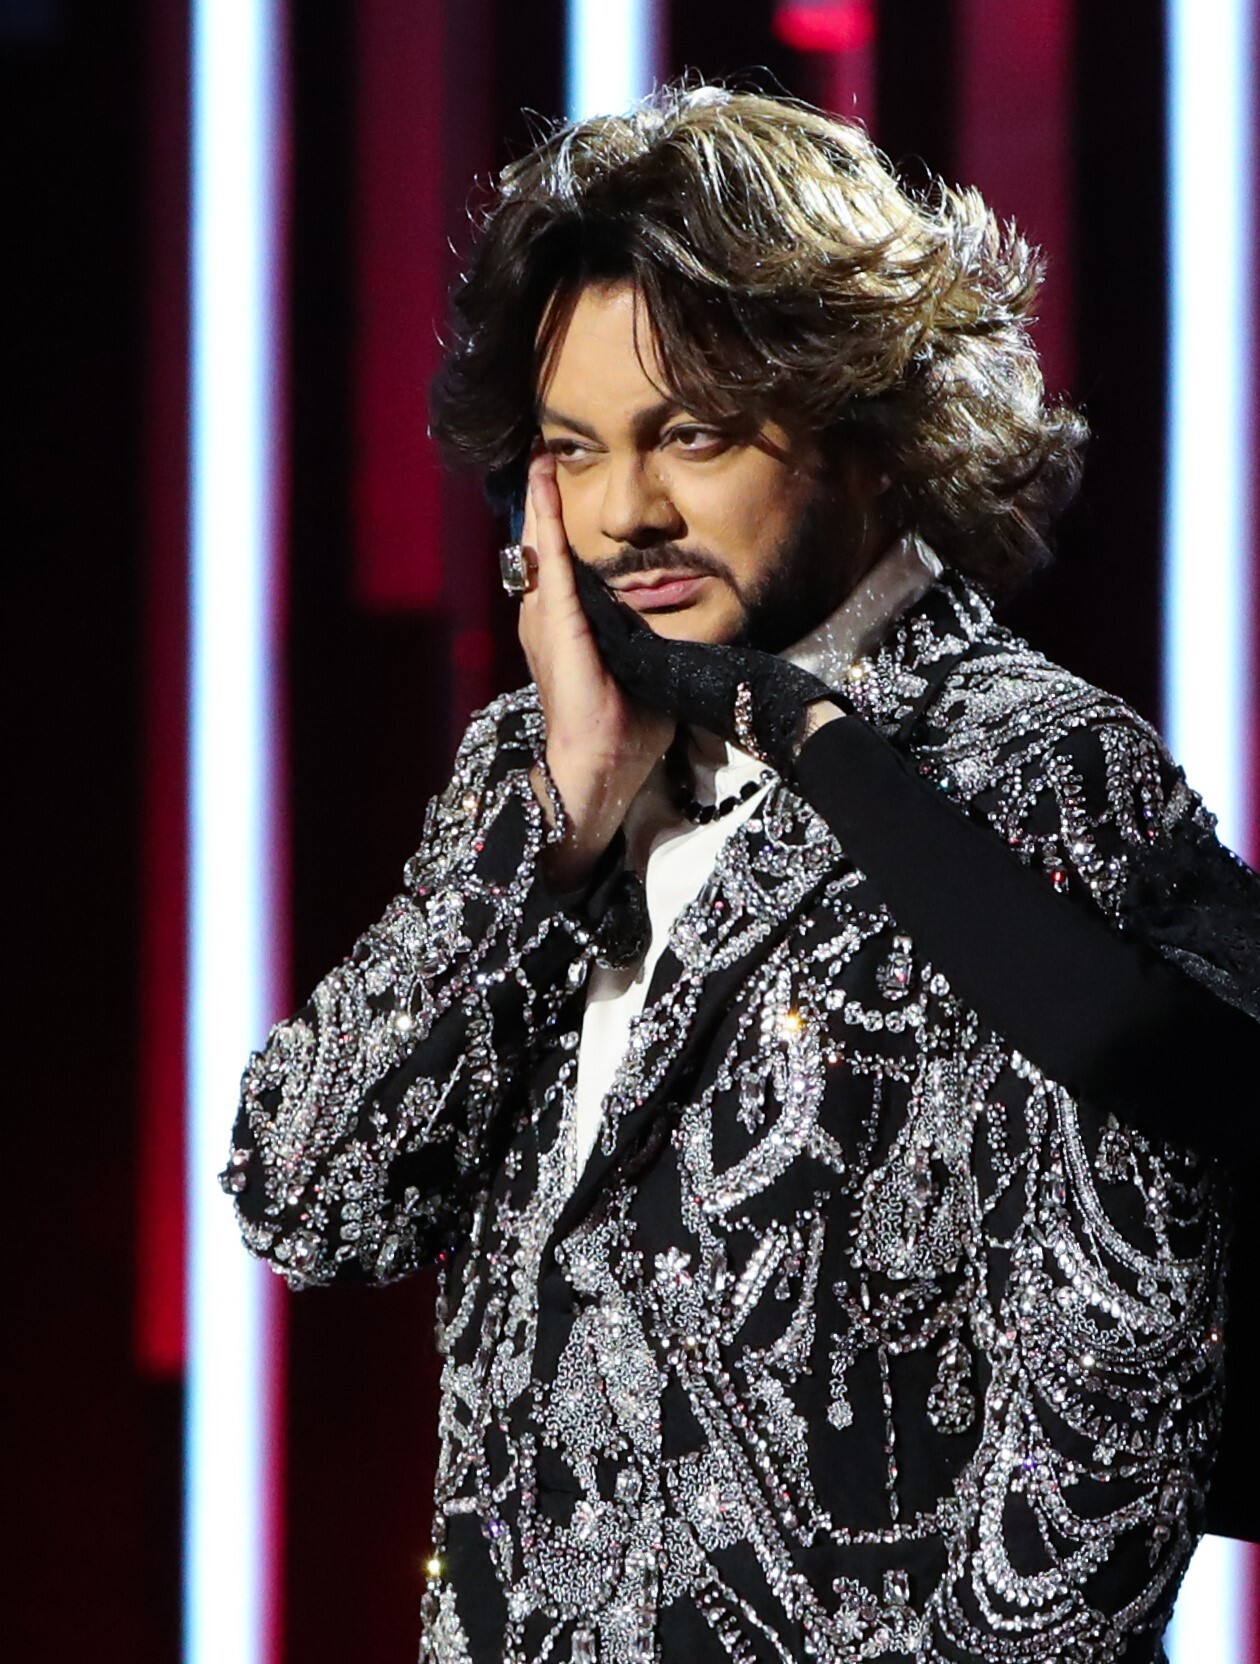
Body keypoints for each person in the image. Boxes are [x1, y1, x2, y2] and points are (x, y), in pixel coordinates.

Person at [223, 84, 1259, 1664]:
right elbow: (311, 1199)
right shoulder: (535, 773)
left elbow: (1122, 1384)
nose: (625, 513)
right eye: (573, 452)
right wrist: (556, 821)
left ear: (864, 425)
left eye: (690, 436)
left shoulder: (1032, 778)